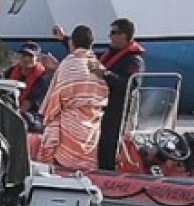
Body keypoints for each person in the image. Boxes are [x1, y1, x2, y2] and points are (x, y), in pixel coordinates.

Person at [52, 17, 145, 170]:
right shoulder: (108, 55)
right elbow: (83, 52)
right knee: (99, 147)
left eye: (114, 33)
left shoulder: (134, 60)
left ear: (124, 35)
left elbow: (131, 84)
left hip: (117, 113)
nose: (110, 36)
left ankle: (109, 174)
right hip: (101, 111)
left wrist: (106, 74)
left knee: (109, 148)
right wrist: (64, 39)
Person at [38, 25, 108, 171]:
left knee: (64, 159)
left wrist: (50, 114)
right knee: (86, 160)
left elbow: (57, 95)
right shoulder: (97, 65)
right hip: (92, 123)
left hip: (70, 120)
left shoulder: (69, 63)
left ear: (72, 43)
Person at [3, 41, 53, 133]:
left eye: (30, 56)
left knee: (26, 118)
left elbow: (28, 104)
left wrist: (12, 116)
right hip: (13, 111)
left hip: (35, 116)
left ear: (37, 58)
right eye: (24, 55)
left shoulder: (43, 78)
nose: (26, 59)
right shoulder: (11, 71)